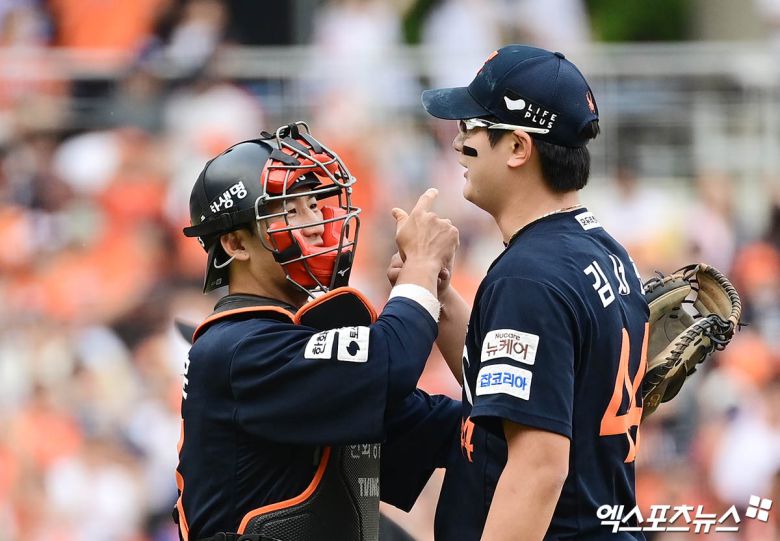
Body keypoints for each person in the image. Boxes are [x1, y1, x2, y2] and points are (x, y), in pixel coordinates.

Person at [175, 121, 460, 541]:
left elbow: (457, 430)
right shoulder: (238, 347)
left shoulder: (290, 348)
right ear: (236, 244)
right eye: (290, 211)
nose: (315, 223)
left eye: (314, 205)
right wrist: (419, 271)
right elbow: (391, 363)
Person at [414, 44, 650, 539]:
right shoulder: (602, 249)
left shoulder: (528, 277)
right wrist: (435, 292)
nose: (458, 142)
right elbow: (510, 388)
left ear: (519, 148)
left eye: (471, 126)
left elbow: (539, 468)